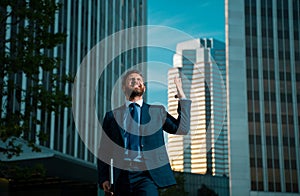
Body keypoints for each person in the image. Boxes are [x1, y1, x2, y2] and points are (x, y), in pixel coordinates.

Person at [97, 69, 191, 196]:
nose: (136, 81)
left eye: (139, 80)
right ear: (124, 88)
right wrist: (104, 178)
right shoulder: (112, 116)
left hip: (147, 175)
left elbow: (182, 128)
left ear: (144, 88)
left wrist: (182, 97)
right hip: (121, 176)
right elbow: (104, 150)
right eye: (132, 80)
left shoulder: (157, 111)